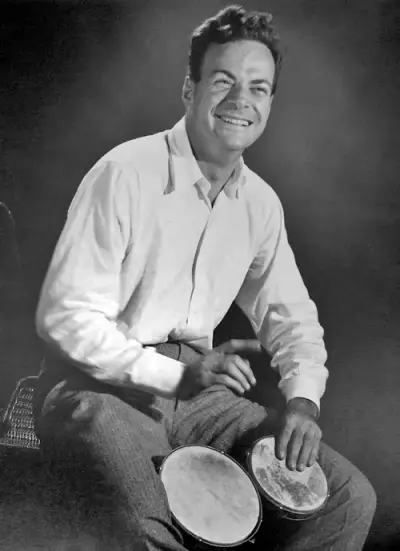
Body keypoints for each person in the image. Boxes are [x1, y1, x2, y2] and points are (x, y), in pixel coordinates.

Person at [33, 5, 376, 550]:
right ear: (189, 90)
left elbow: (291, 319)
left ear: (269, 103)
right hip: (95, 389)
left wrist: (303, 402)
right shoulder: (124, 173)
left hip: (199, 398)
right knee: (146, 521)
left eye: (258, 88)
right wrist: (175, 376)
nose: (241, 100)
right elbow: (64, 318)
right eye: (223, 81)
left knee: (349, 497)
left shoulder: (260, 204)